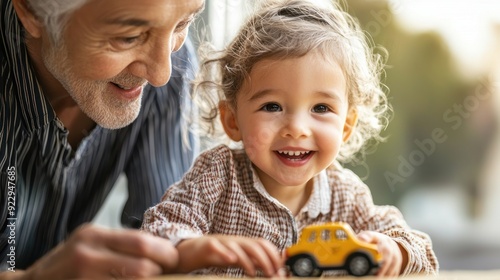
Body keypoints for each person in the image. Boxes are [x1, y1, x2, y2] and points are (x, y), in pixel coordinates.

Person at [141, 0, 439, 277]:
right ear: (232, 120)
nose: (296, 128)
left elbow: (422, 251)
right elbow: (157, 229)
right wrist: (190, 249)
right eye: (272, 106)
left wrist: (395, 252)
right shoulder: (218, 175)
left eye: (321, 108)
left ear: (346, 127)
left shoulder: (346, 196)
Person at [0, 0, 205, 278]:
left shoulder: (172, 66)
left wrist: (184, 254)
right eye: (128, 37)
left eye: (183, 24)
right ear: (32, 11)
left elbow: (167, 235)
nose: (161, 74)